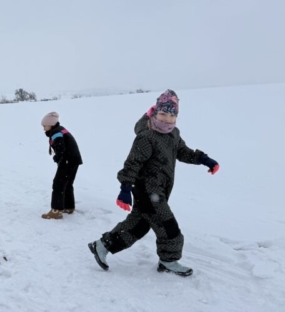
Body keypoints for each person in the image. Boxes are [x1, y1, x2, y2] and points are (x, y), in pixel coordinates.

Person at [88, 90, 220, 277]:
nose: (167, 119)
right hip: (148, 191)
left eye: (172, 115)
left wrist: (204, 160)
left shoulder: (173, 133)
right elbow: (132, 163)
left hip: (159, 189)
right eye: (163, 114)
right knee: (168, 226)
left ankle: (102, 245)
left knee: (139, 225)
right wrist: (125, 188)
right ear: (155, 112)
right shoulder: (147, 136)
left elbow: (182, 151)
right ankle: (168, 260)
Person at [41, 112, 83, 219]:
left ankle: (56, 210)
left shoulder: (56, 132)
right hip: (74, 159)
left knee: (58, 184)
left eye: (44, 125)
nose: (43, 128)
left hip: (68, 161)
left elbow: (61, 148)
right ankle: (68, 207)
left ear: (50, 124)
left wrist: (57, 158)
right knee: (67, 183)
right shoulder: (60, 129)